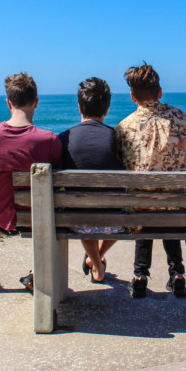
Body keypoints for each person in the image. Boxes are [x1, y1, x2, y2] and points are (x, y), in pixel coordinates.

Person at [0, 72, 62, 294]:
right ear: (36, 102)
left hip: (1, 213)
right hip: (36, 216)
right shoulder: (50, 140)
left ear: (8, 103)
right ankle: (36, 274)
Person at [114, 62, 186, 298]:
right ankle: (177, 273)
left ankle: (140, 275)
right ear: (160, 92)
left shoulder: (123, 127)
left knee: (143, 200)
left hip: (140, 212)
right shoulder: (180, 117)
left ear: (132, 96)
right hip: (179, 211)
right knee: (168, 202)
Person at [58, 77, 124, 284]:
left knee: (82, 209)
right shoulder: (120, 139)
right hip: (118, 223)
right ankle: (97, 260)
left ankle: (95, 263)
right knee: (110, 209)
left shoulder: (62, 139)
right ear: (107, 108)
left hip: (77, 222)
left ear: (79, 107)